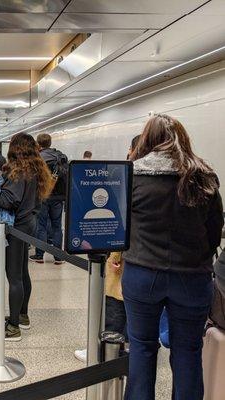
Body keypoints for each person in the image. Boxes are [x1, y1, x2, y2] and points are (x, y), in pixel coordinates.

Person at [122, 114, 223, 399]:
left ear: (147, 140)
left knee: (141, 348)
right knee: (188, 351)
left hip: (142, 274)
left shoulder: (131, 174)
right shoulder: (203, 175)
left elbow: (122, 227)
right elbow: (214, 231)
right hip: (192, 277)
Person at [75, 134, 141, 363]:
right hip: (153, 261)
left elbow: (123, 222)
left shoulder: (129, 177)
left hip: (125, 255)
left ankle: (106, 350)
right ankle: (134, 349)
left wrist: (115, 253)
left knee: (115, 303)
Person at [0, 133, 51, 341]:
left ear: (16, 148)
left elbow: (10, 200)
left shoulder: (18, 171)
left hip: (15, 227)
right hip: (28, 223)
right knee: (22, 271)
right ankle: (22, 316)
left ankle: (13, 328)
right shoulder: (36, 169)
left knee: (14, 276)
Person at [30, 133, 67, 265]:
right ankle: (59, 257)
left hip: (42, 196)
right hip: (58, 197)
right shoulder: (60, 156)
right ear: (50, 143)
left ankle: (39, 255)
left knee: (41, 226)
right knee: (57, 226)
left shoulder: (37, 157)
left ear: (38, 144)